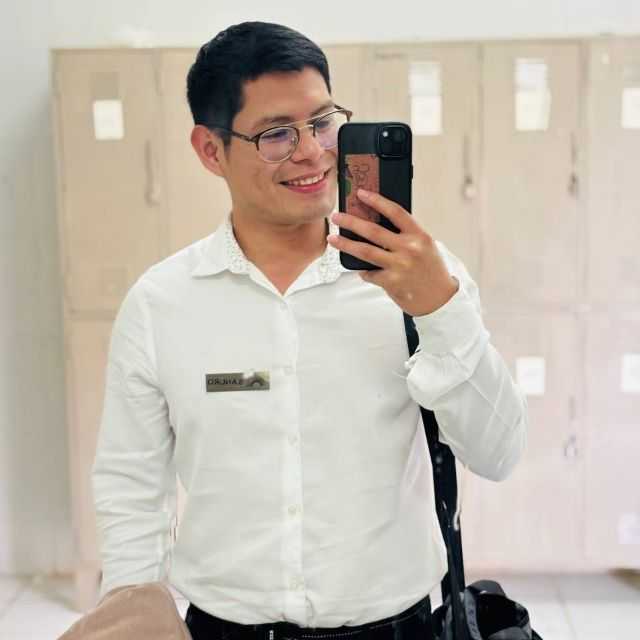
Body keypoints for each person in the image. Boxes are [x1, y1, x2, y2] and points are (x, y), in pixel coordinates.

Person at [92, 21, 528, 640]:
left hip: (395, 628)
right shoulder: (161, 304)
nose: (313, 152)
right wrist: (134, 614)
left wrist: (441, 310)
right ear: (211, 150)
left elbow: (498, 453)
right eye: (277, 134)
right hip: (224, 629)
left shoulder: (423, 280)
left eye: (323, 122)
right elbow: (131, 482)